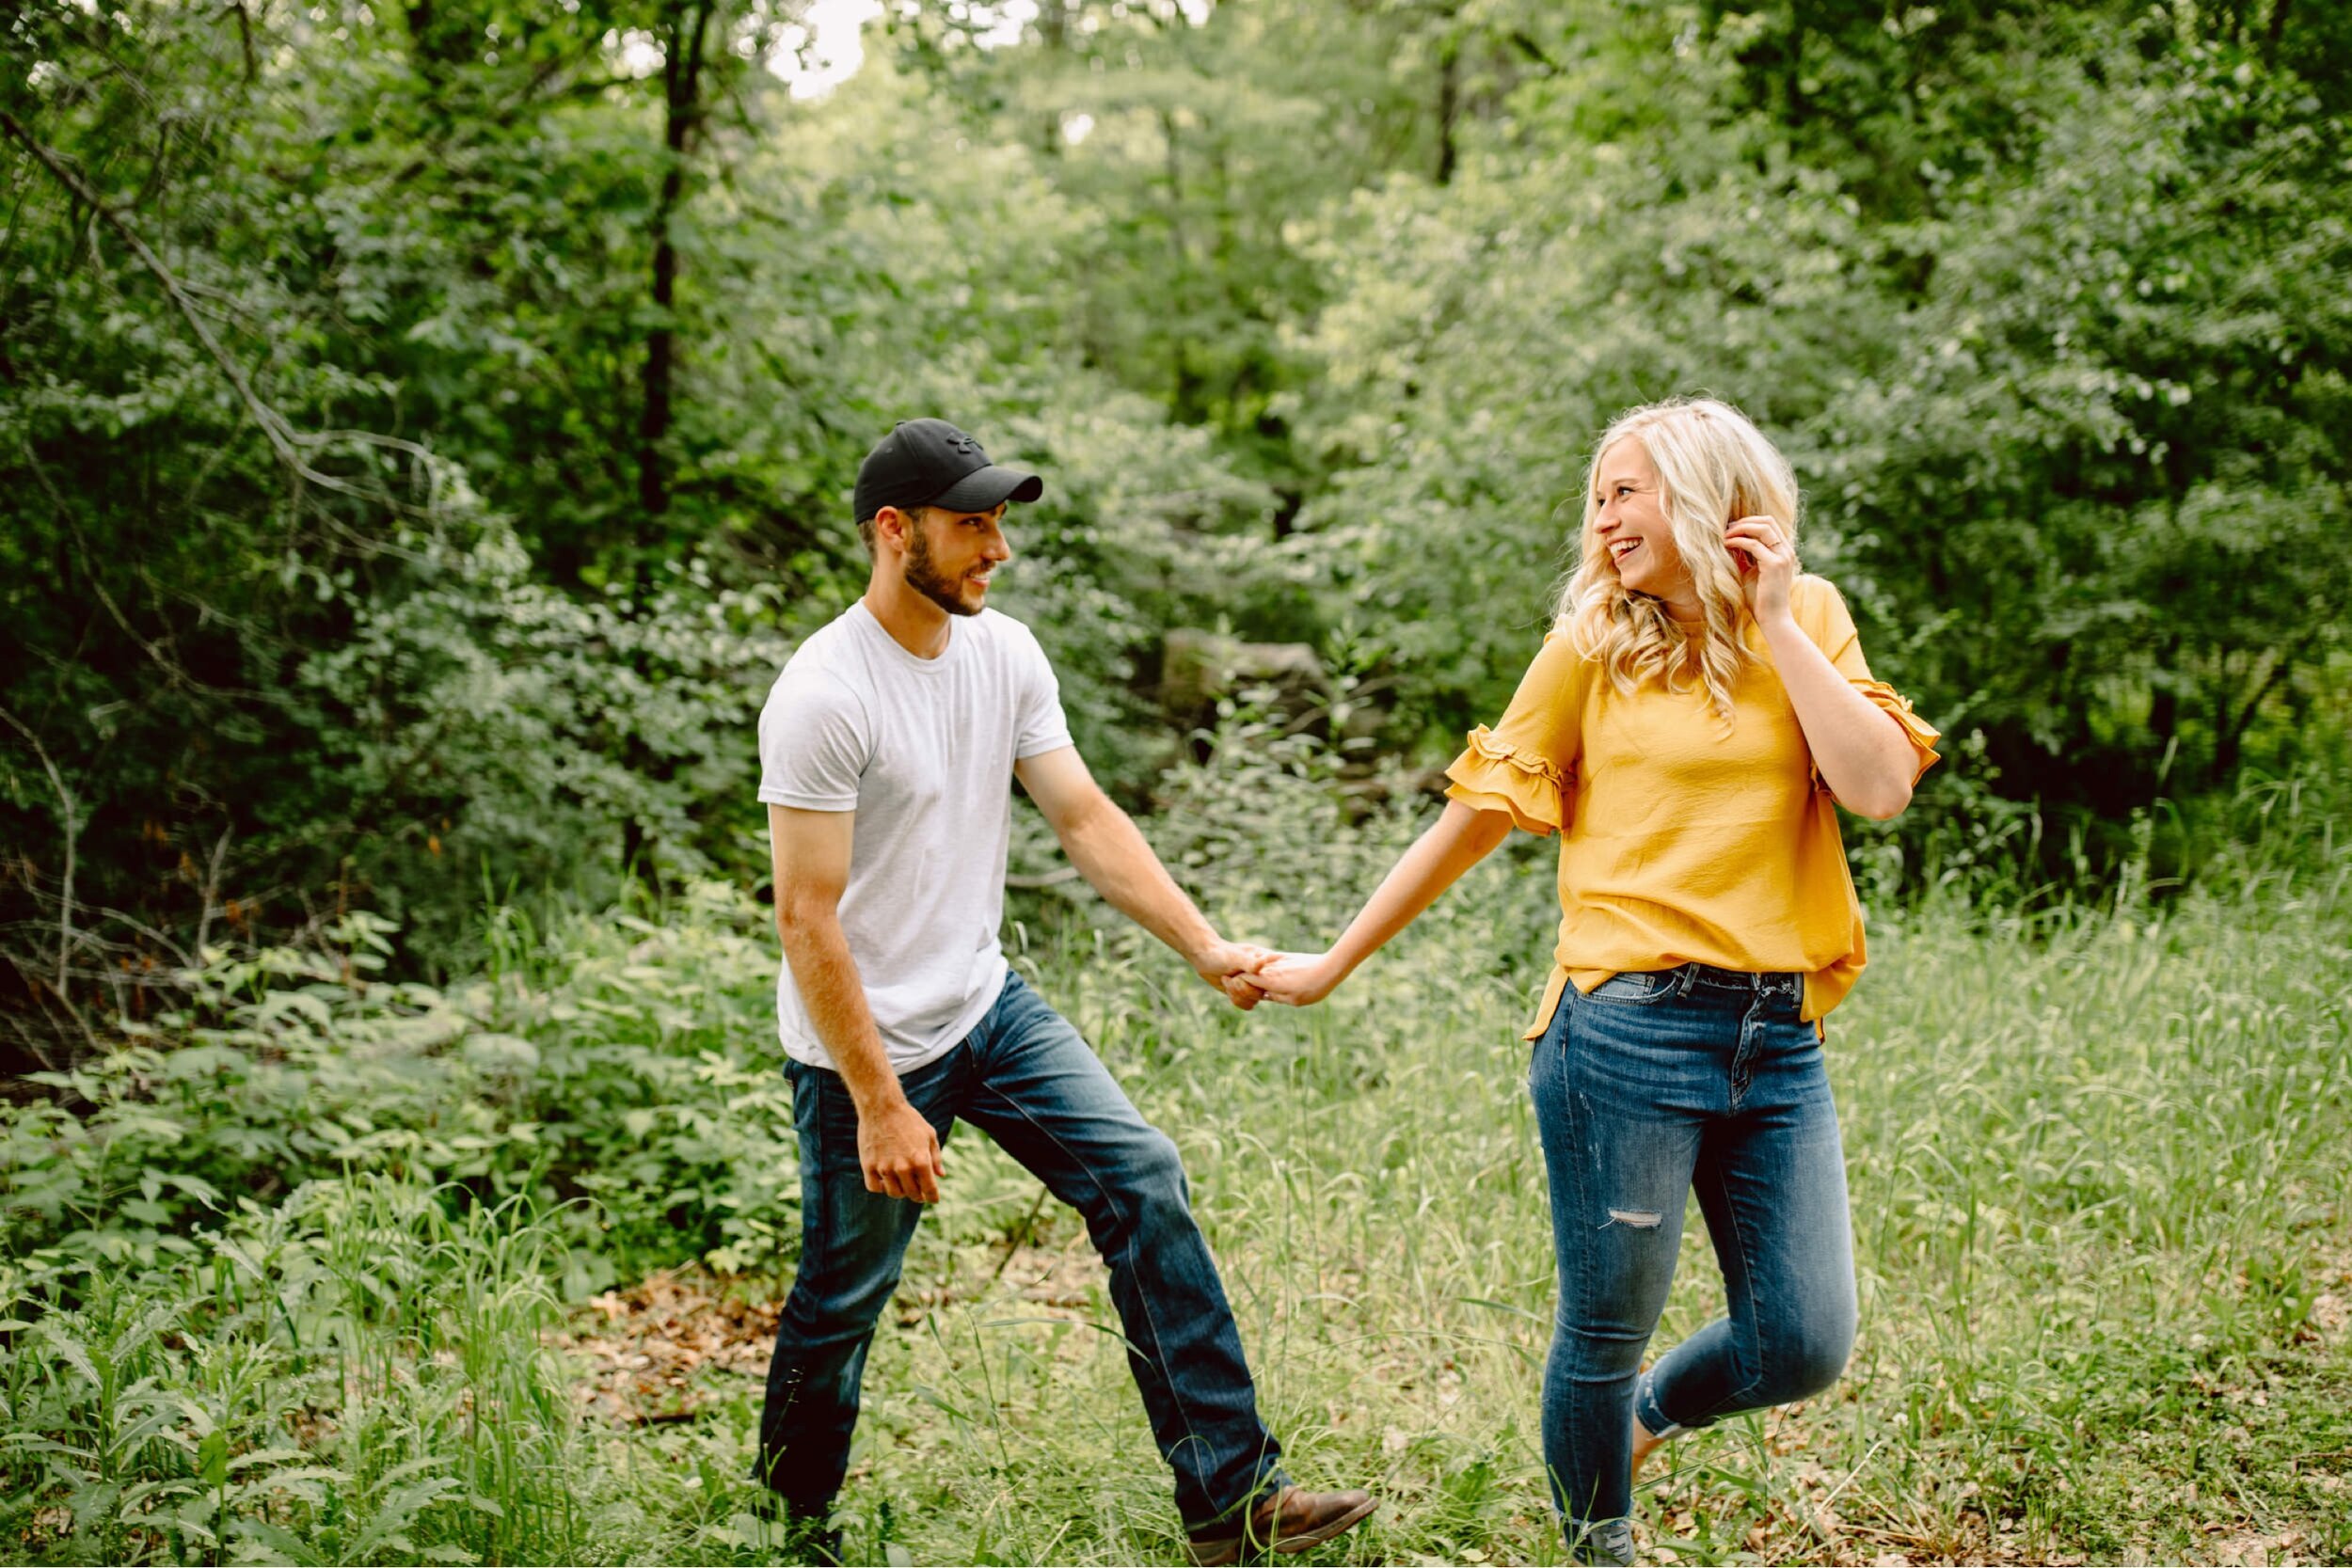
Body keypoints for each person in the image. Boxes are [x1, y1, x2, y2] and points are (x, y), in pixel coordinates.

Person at [1250, 398, 1940, 1564]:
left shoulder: (1808, 614)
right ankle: (1596, 1544)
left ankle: (1635, 1425)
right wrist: (1330, 962)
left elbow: (1877, 785)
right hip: (1622, 1033)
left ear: (1708, 495)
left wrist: (1775, 620)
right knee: (1605, 1322)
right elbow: (1470, 823)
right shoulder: (1591, 642)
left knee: (1806, 1338)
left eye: (1631, 490)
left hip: (1775, 1034)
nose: (1607, 516)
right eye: (1602, 495)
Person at [750, 419, 1376, 1566]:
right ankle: (786, 1534)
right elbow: (806, 916)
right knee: (841, 1302)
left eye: (1000, 521)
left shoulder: (1006, 654)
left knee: (1140, 1177)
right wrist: (882, 1100)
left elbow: (1084, 817)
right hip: (864, 1050)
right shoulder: (823, 694)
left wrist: (1203, 944)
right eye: (970, 523)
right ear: (894, 533)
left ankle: (1233, 1502)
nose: (998, 547)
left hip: (984, 1005)